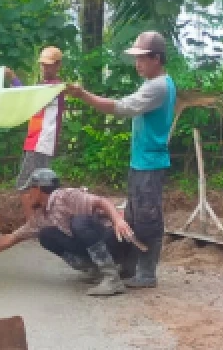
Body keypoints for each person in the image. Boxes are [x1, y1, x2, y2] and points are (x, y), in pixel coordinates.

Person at [65, 31, 176, 288]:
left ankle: (146, 274)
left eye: (141, 58)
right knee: (135, 216)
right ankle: (132, 267)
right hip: (143, 161)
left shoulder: (158, 87)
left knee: (148, 218)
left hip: (150, 163)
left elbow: (122, 108)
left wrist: (84, 95)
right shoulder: (154, 83)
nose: (137, 63)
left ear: (156, 58)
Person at [0, 168, 137, 297]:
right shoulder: (41, 217)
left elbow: (101, 201)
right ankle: (95, 270)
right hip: (101, 246)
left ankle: (112, 278)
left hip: (116, 240)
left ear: (38, 190)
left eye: (29, 191)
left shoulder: (65, 196)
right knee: (46, 236)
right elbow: (9, 239)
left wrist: (118, 220)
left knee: (79, 222)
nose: (27, 196)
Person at [5, 46, 66, 189]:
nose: (45, 69)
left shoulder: (55, 88)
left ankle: (32, 209)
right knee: (37, 183)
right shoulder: (43, 85)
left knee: (28, 184)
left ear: (58, 66)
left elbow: (27, 97)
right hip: (35, 139)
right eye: (43, 65)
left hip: (42, 141)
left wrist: (13, 78)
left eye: (49, 65)